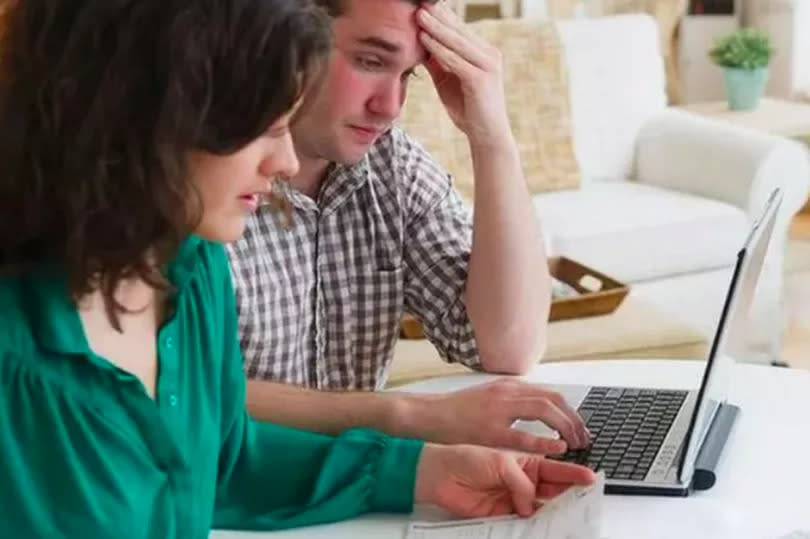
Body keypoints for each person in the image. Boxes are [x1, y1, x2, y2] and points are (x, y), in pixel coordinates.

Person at [0, 0, 595, 536]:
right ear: (149, 107)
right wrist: (412, 420)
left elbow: (226, 460)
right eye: (265, 125)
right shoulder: (20, 364)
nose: (283, 161)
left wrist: (422, 471)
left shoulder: (190, 269)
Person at [227, 0, 591, 454]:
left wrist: (492, 136)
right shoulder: (203, 184)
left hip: (358, 487)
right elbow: (180, 398)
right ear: (284, 39)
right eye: (371, 61)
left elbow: (508, 347)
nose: (390, 107)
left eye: (407, 76)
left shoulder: (392, 165)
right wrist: (413, 416)